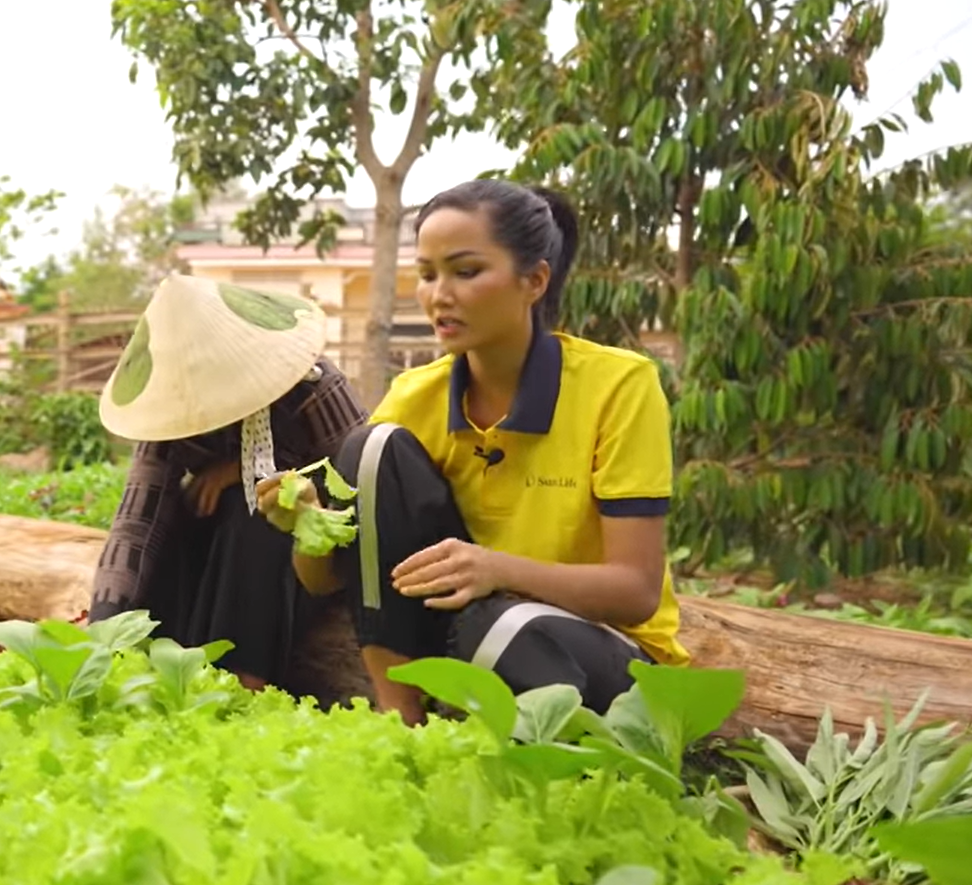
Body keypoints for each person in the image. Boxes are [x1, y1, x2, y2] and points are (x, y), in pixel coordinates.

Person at [257, 179, 688, 726]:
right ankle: (402, 725)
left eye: (466, 272)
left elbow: (636, 592)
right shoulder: (415, 396)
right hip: (468, 634)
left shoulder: (619, 385)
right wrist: (308, 523)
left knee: (506, 633)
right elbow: (326, 580)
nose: (440, 294)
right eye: (428, 274)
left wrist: (496, 568)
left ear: (534, 280)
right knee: (371, 447)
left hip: (604, 650)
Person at [90, 273, 368, 692]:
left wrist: (253, 473)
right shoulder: (172, 412)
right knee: (185, 513)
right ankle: (169, 673)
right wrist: (103, 633)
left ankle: (243, 681)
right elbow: (138, 522)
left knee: (255, 508)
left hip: (308, 562)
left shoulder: (313, 387)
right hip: (213, 564)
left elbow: (362, 484)